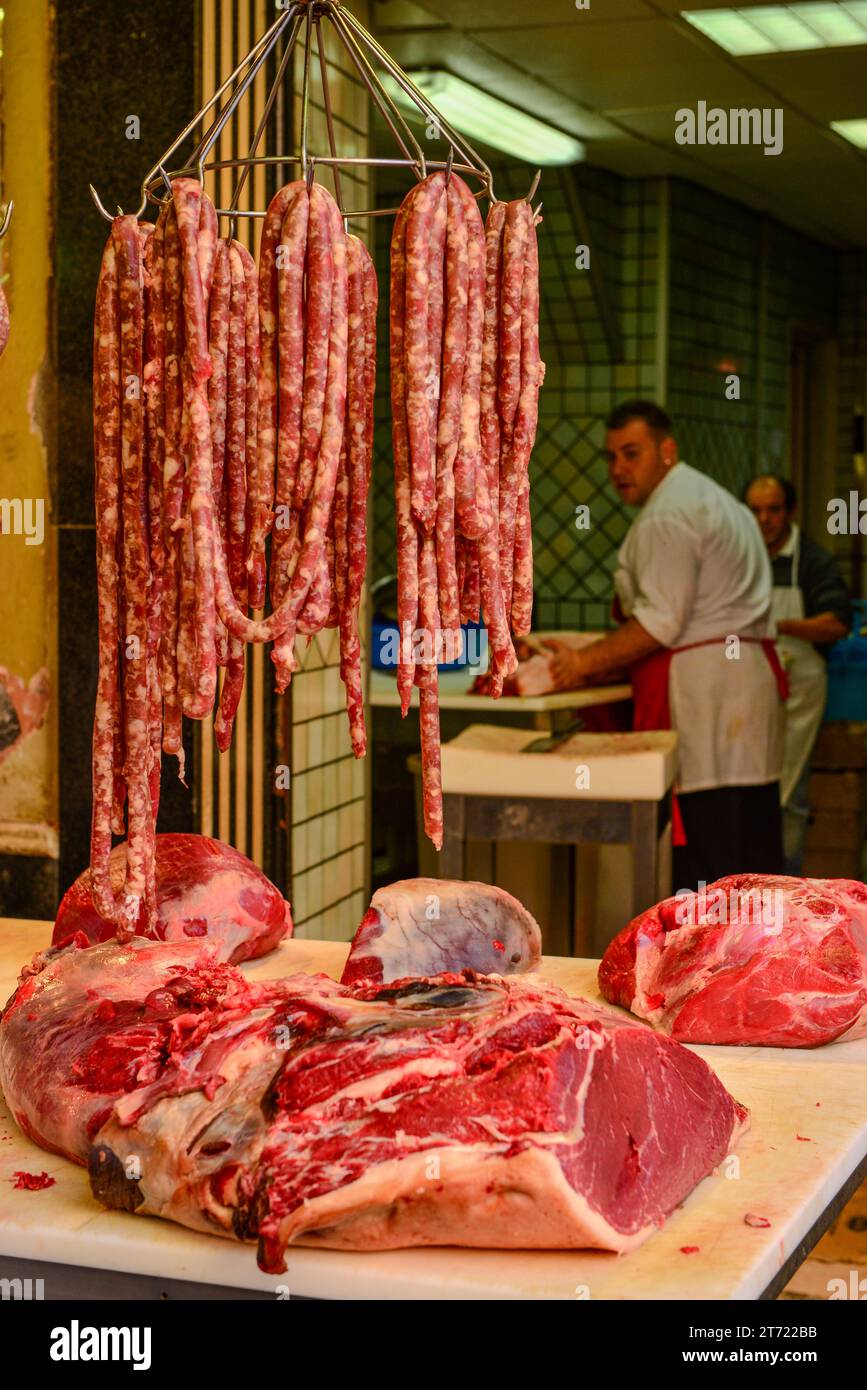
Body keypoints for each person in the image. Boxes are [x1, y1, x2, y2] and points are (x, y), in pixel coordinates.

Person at [545, 400, 786, 890]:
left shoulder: (666, 517)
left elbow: (660, 623)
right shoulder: (713, 498)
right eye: (611, 458)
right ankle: (761, 961)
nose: (619, 469)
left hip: (704, 700)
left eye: (631, 454)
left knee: (709, 858)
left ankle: (707, 964)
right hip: (745, 690)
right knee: (753, 854)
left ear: (667, 449)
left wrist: (580, 664)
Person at [744, 474, 850, 873]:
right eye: (755, 511)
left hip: (799, 690)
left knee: (788, 792)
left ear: (789, 512)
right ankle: (749, 882)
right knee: (751, 790)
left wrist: (779, 627)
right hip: (750, 689)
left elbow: (836, 623)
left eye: (773, 510)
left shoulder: (812, 559)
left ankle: (784, 882)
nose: (764, 519)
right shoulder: (740, 554)